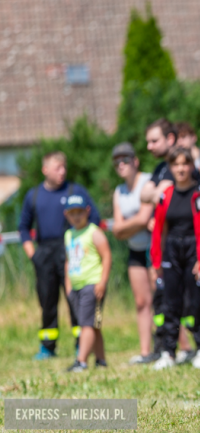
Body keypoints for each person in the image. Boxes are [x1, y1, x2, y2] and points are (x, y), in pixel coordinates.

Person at [19, 151, 101, 360]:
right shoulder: (34, 195)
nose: (62, 171)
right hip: (44, 253)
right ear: (45, 170)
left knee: (75, 299)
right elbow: (23, 228)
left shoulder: (75, 191)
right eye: (58, 168)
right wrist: (33, 255)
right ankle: (47, 347)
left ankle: (80, 345)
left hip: (71, 252)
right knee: (47, 301)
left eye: (64, 167)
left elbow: (95, 217)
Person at [150, 148, 200, 370]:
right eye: (176, 164)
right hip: (172, 251)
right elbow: (159, 230)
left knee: (196, 301)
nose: (181, 168)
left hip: (194, 250)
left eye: (185, 164)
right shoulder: (165, 196)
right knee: (170, 303)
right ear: (170, 168)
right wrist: (156, 262)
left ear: (191, 167)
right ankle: (168, 352)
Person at [110, 143, 156, 364]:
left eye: (125, 159)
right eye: (117, 161)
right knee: (141, 302)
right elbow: (116, 231)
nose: (121, 164)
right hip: (135, 250)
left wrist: (128, 225)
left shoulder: (147, 182)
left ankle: (179, 347)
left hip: (155, 248)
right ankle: (146, 351)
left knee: (161, 299)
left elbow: (144, 218)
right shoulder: (119, 191)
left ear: (135, 161)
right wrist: (136, 222)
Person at [64, 195, 112, 372]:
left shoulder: (94, 232)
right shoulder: (69, 234)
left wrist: (102, 282)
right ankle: (101, 360)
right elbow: (68, 261)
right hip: (75, 287)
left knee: (87, 324)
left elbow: (107, 256)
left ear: (87, 211)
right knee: (93, 324)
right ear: (66, 214)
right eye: (72, 213)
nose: (76, 216)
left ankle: (81, 361)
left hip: (92, 284)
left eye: (79, 212)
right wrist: (68, 286)